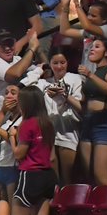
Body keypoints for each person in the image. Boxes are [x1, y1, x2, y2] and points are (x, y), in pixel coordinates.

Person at [9, 85, 56, 215]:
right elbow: (52, 156)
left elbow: (18, 154)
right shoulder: (48, 124)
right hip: (47, 175)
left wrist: (11, 137)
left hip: (30, 175)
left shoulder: (27, 124)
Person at [77, 38, 107, 186]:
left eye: (97, 47)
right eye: (91, 47)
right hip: (88, 122)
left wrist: (90, 75)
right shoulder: (93, 74)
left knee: (101, 177)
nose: (92, 49)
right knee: (88, 175)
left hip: (105, 122)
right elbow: (83, 104)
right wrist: (65, 96)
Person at [35, 51, 83, 186]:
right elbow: (28, 89)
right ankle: (56, 204)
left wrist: (64, 95)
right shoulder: (43, 83)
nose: (59, 66)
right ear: (50, 64)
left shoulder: (75, 78)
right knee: (53, 178)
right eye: (55, 63)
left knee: (68, 178)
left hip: (68, 130)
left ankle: (67, 205)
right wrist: (40, 72)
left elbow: (79, 106)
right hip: (50, 132)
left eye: (62, 62)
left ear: (67, 63)